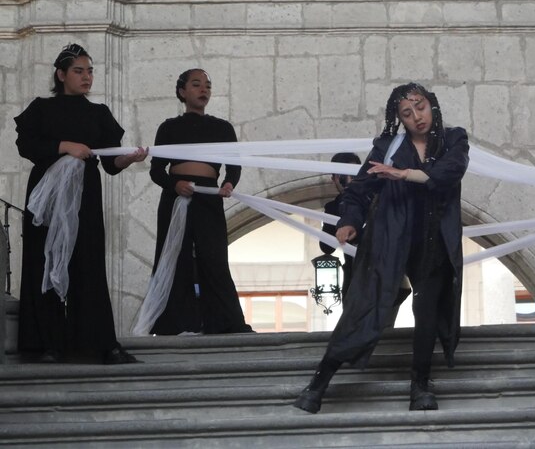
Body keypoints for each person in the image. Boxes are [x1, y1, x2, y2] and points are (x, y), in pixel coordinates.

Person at [294, 82, 469, 414]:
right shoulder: (387, 147)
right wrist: (348, 221)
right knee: (364, 305)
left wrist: (404, 174)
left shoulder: (454, 139)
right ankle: (318, 383)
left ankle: (420, 386)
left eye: (420, 107)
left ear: (432, 105)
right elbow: (360, 189)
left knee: (427, 310)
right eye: (407, 112)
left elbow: (448, 173)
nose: (416, 116)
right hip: (390, 238)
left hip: (434, 242)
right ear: (399, 118)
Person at [15, 43, 148, 364]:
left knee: (87, 262)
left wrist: (128, 159)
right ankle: (46, 344)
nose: (87, 77)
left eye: (90, 71)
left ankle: (98, 343)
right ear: (61, 75)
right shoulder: (41, 108)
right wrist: (64, 145)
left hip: (84, 197)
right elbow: (27, 145)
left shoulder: (98, 113)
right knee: (43, 262)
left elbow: (110, 163)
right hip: (46, 197)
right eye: (79, 71)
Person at [148, 69, 252, 335]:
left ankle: (225, 323)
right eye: (196, 85)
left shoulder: (222, 128)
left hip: (208, 195)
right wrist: (175, 184)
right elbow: (157, 170)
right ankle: (174, 323)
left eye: (207, 85)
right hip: (176, 195)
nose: (203, 90)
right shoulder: (169, 127)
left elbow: (234, 166)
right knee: (174, 257)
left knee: (214, 257)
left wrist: (229, 183)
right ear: (182, 91)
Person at [319, 152, 362, 299]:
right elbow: (326, 247)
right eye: (341, 176)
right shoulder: (333, 206)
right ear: (334, 179)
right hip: (353, 278)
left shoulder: (373, 198)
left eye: (352, 174)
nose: (347, 180)